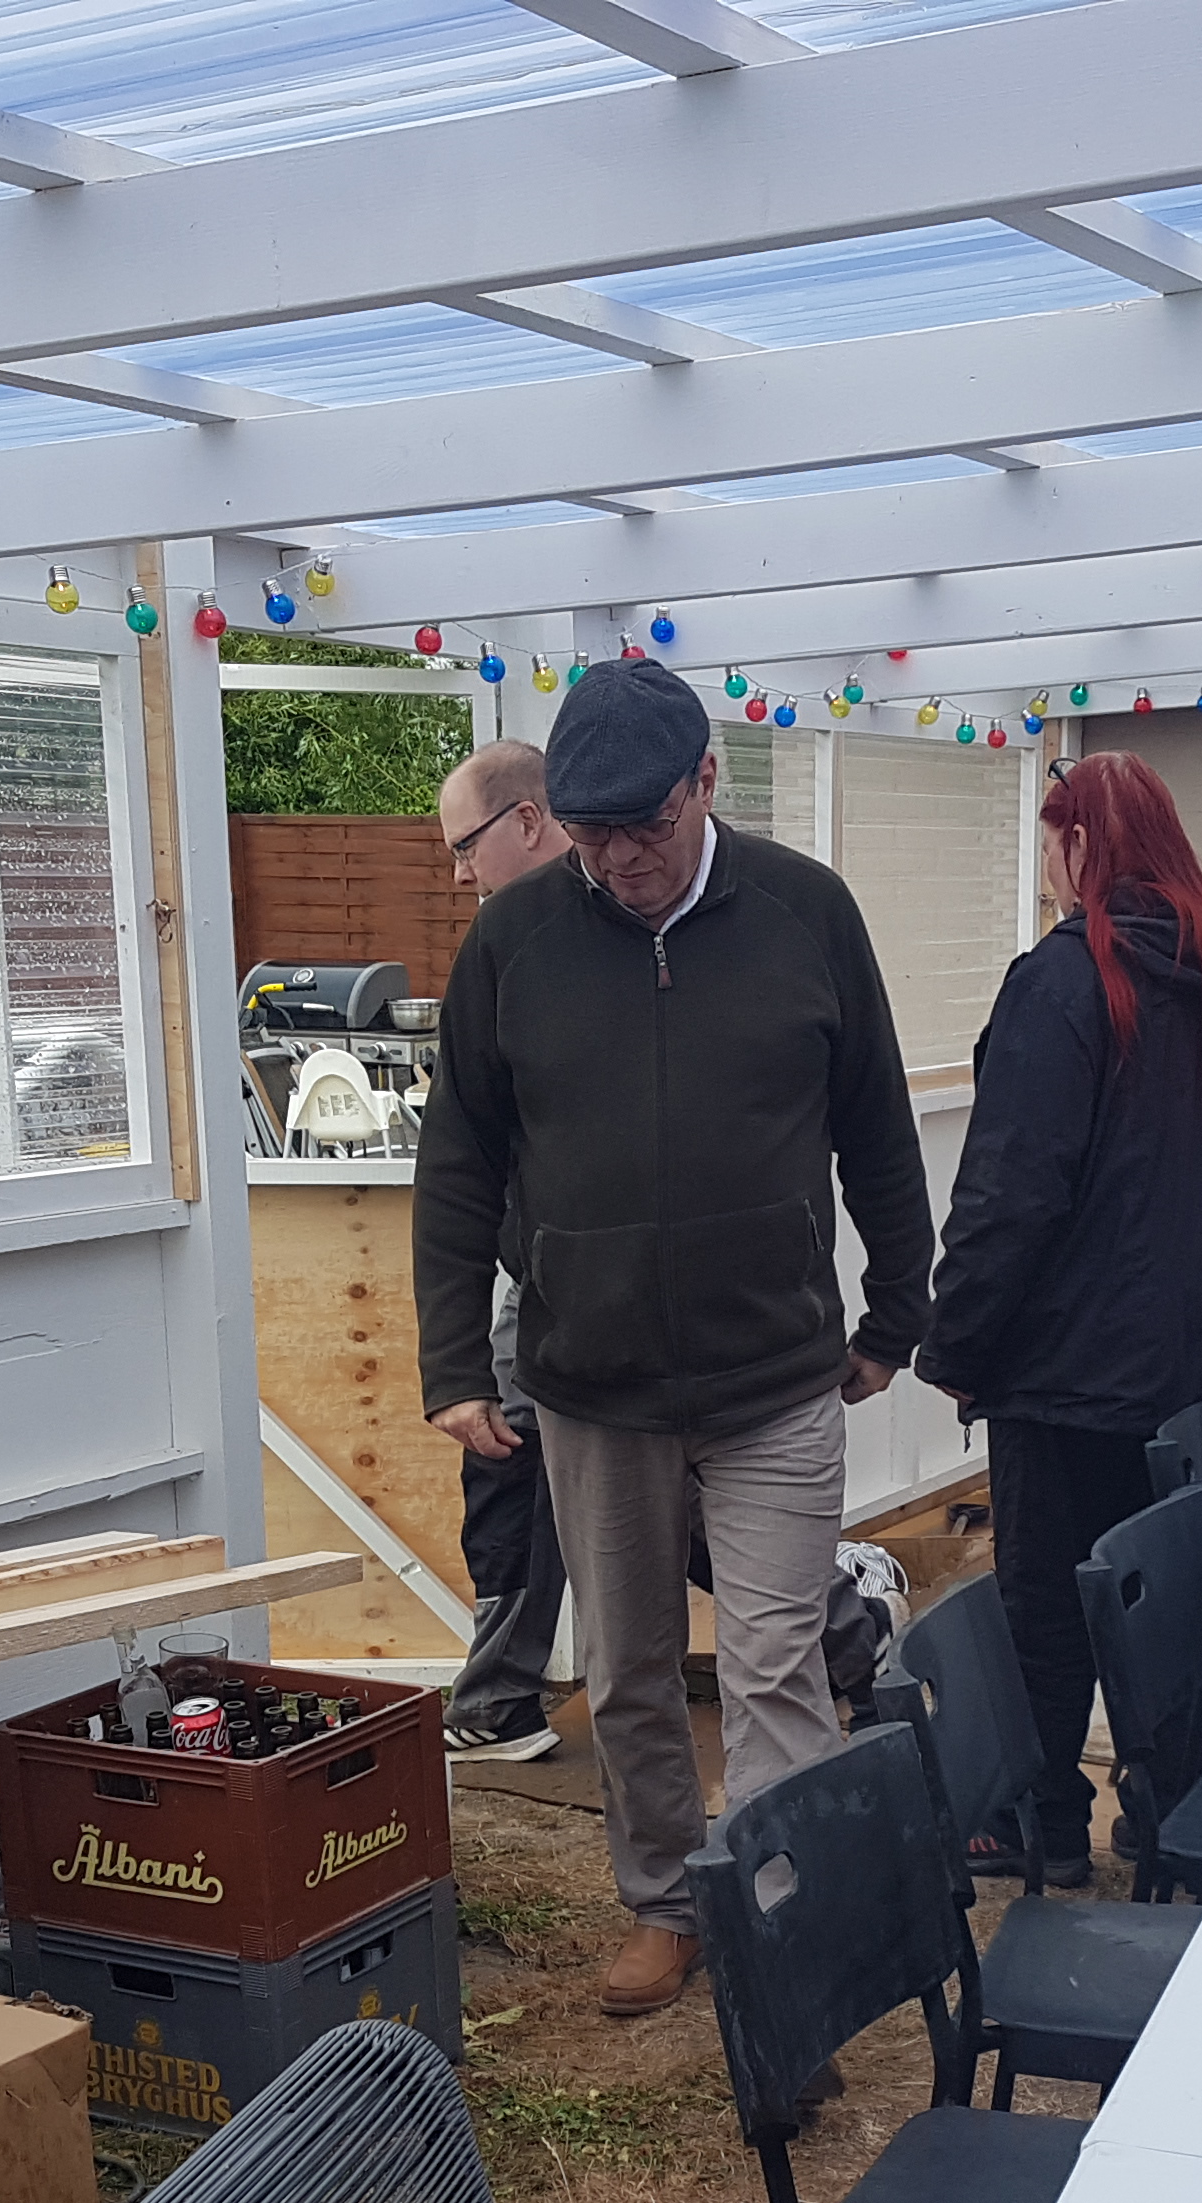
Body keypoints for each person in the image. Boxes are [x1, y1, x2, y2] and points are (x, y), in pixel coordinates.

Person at [415, 661, 933, 2017]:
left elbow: (877, 1126)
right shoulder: (516, 939)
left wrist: (899, 1310)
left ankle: (777, 1929)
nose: (620, 860)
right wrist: (454, 1361)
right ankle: (665, 1905)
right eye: (592, 834)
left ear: (706, 781)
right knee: (629, 1671)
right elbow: (459, 1159)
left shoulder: (807, 913)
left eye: (643, 825)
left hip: (775, 1377)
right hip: (591, 1388)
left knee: (774, 1668)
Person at [915, 750, 1202, 1887]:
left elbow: (1009, 1191)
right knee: (1166, 1598)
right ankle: (1171, 1814)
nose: (1047, 861)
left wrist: (957, 1343)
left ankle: (1044, 1822)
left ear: (1078, 843)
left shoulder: (1065, 981)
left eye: (1050, 838)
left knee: (1046, 1604)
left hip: (1071, 1375)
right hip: (1197, 1372)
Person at [431, 739, 574, 1764]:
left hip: (628, 1293)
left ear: (527, 821)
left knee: (680, 1500)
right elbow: (460, 1160)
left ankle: (845, 1632)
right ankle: (496, 1699)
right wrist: (454, 1365)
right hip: (540, 1278)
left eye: (464, 846)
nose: (457, 874)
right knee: (511, 1467)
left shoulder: (597, 937)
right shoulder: (495, 955)